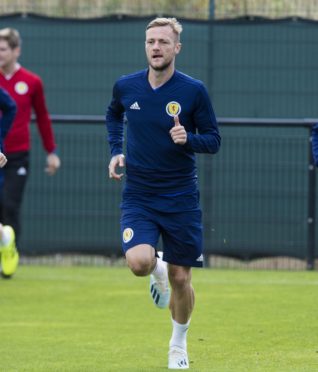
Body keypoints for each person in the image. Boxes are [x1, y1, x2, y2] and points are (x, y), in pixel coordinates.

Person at [106, 17, 221, 369]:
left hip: (180, 197)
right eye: (151, 41)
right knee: (139, 262)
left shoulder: (193, 91)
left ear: (177, 48)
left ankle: (178, 345)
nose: (156, 47)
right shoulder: (127, 86)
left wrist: (190, 139)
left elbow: (213, 140)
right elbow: (113, 114)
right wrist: (116, 150)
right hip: (139, 193)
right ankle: (157, 268)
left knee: (182, 278)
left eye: (163, 42)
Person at [0, 27, 61, 245]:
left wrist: (51, 151)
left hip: (17, 154)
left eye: (3, 49)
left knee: (9, 205)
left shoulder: (32, 81)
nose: (0, 53)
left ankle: (10, 252)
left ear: (16, 51)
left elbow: (43, 117)